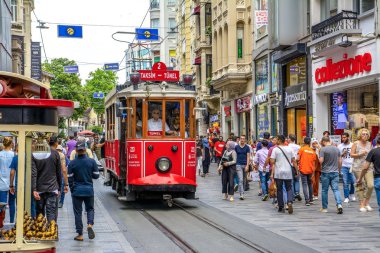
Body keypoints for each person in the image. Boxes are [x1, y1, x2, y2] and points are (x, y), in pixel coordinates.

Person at [68, 140, 99, 241]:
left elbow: (70, 178)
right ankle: (89, 224)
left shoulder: (72, 163)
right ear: (85, 150)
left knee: (78, 212)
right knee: (90, 209)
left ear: (76, 150)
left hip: (77, 190)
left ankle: (80, 234)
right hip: (89, 190)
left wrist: (72, 189)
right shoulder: (92, 161)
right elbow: (96, 176)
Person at [32, 138, 63, 222]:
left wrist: (34, 189)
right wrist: (59, 188)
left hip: (39, 189)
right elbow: (58, 173)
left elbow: (34, 174)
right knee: (51, 213)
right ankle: (52, 233)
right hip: (52, 188)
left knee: (40, 215)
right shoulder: (55, 153)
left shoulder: (34, 155)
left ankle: (41, 233)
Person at [270, 135, 297, 214]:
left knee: (280, 189)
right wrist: (297, 170)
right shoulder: (290, 149)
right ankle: (289, 202)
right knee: (289, 188)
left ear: (279, 140)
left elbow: (272, 161)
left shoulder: (275, 149)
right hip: (288, 171)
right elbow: (294, 160)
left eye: (277, 139)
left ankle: (281, 207)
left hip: (279, 172)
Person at [350, 128, 374, 212]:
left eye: (367, 134)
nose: (365, 136)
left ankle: (366, 202)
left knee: (371, 185)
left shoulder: (369, 144)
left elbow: (372, 155)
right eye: (363, 134)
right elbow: (351, 155)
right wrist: (360, 154)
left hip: (368, 167)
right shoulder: (356, 143)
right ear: (360, 135)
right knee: (360, 184)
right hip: (358, 167)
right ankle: (361, 204)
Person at [319, 136, 343, 214]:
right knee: (336, 189)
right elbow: (340, 161)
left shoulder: (323, 149)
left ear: (323, 142)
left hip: (325, 172)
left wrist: (319, 159)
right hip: (335, 172)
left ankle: (325, 208)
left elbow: (321, 161)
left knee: (324, 190)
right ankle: (339, 204)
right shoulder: (337, 149)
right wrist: (339, 170)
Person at [357, 138, 380, 215]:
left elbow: (365, 167)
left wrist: (360, 178)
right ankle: (364, 203)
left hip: (378, 178)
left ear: (376, 142)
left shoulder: (373, 151)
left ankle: (365, 203)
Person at [298, 137, 318, 206]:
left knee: (304, 184)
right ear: (310, 143)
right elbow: (314, 162)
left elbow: (298, 158)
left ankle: (307, 200)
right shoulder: (312, 151)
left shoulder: (302, 149)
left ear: (304, 142)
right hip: (310, 170)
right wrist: (313, 171)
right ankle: (311, 199)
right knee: (310, 184)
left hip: (303, 169)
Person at [0, 138, 14, 228]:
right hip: (12, 181)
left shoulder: (0, 154)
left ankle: (1, 222)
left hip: (1, 182)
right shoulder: (14, 155)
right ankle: (12, 222)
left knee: (2, 204)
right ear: (11, 144)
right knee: (12, 203)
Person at [338, 133, 356, 203]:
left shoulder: (353, 145)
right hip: (344, 166)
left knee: (353, 181)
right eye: (342, 138)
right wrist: (342, 154)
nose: (343, 139)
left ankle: (351, 193)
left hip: (352, 165)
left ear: (348, 137)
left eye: (345, 137)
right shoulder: (340, 146)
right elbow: (338, 156)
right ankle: (346, 197)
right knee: (345, 182)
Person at [235, 135, 250, 200]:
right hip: (238, 164)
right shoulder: (236, 147)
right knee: (240, 179)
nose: (242, 140)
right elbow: (235, 155)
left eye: (243, 139)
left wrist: (247, 165)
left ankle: (242, 191)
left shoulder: (247, 147)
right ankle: (241, 194)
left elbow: (248, 157)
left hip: (245, 165)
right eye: (241, 138)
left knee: (244, 179)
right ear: (239, 139)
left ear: (245, 140)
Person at [288, 134, 302, 201]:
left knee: (291, 180)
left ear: (290, 139)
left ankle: (293, 195)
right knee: (297, 180)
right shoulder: (298, 147)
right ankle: (297, 193)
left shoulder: (287, 147)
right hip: (297, 164)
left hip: (290, 164)